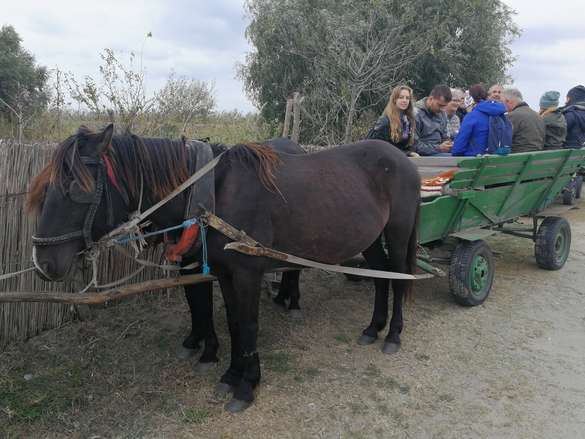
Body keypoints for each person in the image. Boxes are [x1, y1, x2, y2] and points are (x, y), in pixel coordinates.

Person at [452, 84, 509, 156]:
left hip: (475, 159)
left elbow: (458, 147)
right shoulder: (501, 114)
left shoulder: (471, 116)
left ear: (471, 99)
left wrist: (453, 150)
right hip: (497, 158)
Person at [366, 85, 415, 152]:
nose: (404, 100)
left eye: (407, 98)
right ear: (394, 99)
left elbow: (405, 146)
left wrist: (409, 152)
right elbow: (377, 146)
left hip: (398, 157)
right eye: (401, 97)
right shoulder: (385, 121)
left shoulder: (407, 120)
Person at [412, 85, 452, 156]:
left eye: (445, 106)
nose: (443, 109)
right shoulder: (415, 113)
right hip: (423, 155)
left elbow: (446, 136)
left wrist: (448, 143)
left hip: (440, 151)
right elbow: (414, 145)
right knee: (455, 159)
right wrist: (438, 148)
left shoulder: (442, 113)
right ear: (431, 99)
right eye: (440, 105)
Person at [502, 88, 545, 152]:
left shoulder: (512, 116)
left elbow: (504, 140)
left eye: (502, 102)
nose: (502, 105)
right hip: (536, 157)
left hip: (518, 157)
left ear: (508, 101)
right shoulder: (538, 115)